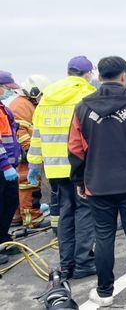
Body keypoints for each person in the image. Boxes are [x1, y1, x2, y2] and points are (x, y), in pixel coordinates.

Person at [68, 56, 126, 306]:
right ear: (124, 76)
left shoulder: (82, 108)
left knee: (104, 236)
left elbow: (75, 150)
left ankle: (104, 292)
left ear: (99, 77)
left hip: (97, 184)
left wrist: (79, 181)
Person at [28, 56, 97, 279]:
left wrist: (34, 164)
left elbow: (36, 135)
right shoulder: (86, 95)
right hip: (80, 167)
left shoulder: (47, 97)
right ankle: (84, 262)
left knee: (66, 213)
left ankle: (66, 264)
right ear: (87, 74)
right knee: (85, 212)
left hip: (55, 169)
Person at [9, 75, 52, 228]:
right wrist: (29, 150)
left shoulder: (22, 103)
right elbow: (19, 130)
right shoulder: (23, 105)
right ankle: (32, 218)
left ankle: (16, 216)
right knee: (28, 185)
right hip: (24, 153)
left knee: (17, 185)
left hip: (18, 153)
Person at [0, 98, 20, 264]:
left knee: (10, 202)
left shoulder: (3, 109)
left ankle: (3, 240)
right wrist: (5, 164)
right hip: (3, 167)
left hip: (8, 167)